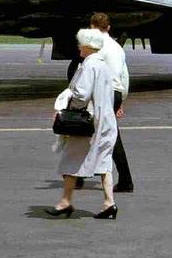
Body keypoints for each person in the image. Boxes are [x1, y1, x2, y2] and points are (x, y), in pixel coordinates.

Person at [47, 29, 119, 219]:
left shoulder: (89, 66)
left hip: (88, 123)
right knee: (104, 163)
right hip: (106, 120)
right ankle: (109, 203)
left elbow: (81, 95)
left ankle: (65, 202)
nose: (79, 47)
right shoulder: (103, 66)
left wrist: (67, 104)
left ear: (87, 46)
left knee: (72, 158)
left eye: (81, 44)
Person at [76, 13, 134, 193]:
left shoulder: (94, 47)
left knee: (84, 130)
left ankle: (78, 176)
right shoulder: (118, 48)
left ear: (91, 27)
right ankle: (124, 179)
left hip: (101, 93)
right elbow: (124, 76)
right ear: (108, 28)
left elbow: (89, 72)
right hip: (115, 92)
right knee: (109, 134)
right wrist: (120, 100)